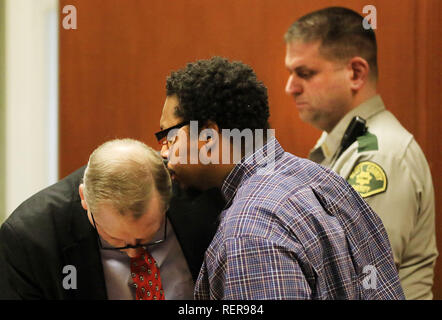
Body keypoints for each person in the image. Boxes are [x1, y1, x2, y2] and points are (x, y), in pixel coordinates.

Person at [158, 56, 404, 299]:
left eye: (169, 137)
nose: (164, 152)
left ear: (208, 137)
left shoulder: (248, 232)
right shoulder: (328, 180)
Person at [283, 7, 437, 299]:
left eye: (304, 73)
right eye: (290, 73)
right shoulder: (349, 144)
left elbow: (360, 281)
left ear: (355, 73)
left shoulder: (380, 155)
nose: (290, 87)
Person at [0, 138, 225, 299]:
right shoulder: (30, 240)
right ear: (84, 198)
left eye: (150, 235)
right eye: (114, 239)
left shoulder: (204, 195)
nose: (134, 253)